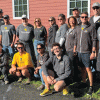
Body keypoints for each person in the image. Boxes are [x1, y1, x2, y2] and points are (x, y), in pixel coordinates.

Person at [73, 12, 97, 95]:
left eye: (85, 17)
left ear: (87, 18)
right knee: (82, 68)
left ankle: (91, 86)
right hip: (79, 52)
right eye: (82, 17)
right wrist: (74, 49)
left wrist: (93, 52)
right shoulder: (78, 27)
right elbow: (76, 39)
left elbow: (94, 40)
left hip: (87, 52)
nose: (84, 18)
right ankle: (84, 83)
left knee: (88, 69)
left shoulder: (91, 27)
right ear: (80, 18)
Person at [65, 16, 79, 82]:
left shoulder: (76, 29)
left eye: (73, 20)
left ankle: (74, 78)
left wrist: (74, 49)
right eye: (70, 21)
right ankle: (72, 77)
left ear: (75, 21)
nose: (72, 22)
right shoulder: (68, 29)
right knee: (69, 64)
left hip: (72, 49)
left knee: (72, 64)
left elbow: (76, 39)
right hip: (67, 49)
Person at [89, 2, 100, 76]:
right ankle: (93, 73)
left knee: (99, 56)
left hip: (99, 40)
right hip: (92, 40)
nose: (95, 9)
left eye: (97, 8)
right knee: (93, 56)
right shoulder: (91, 19)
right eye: (94, 8)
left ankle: (98, 73)